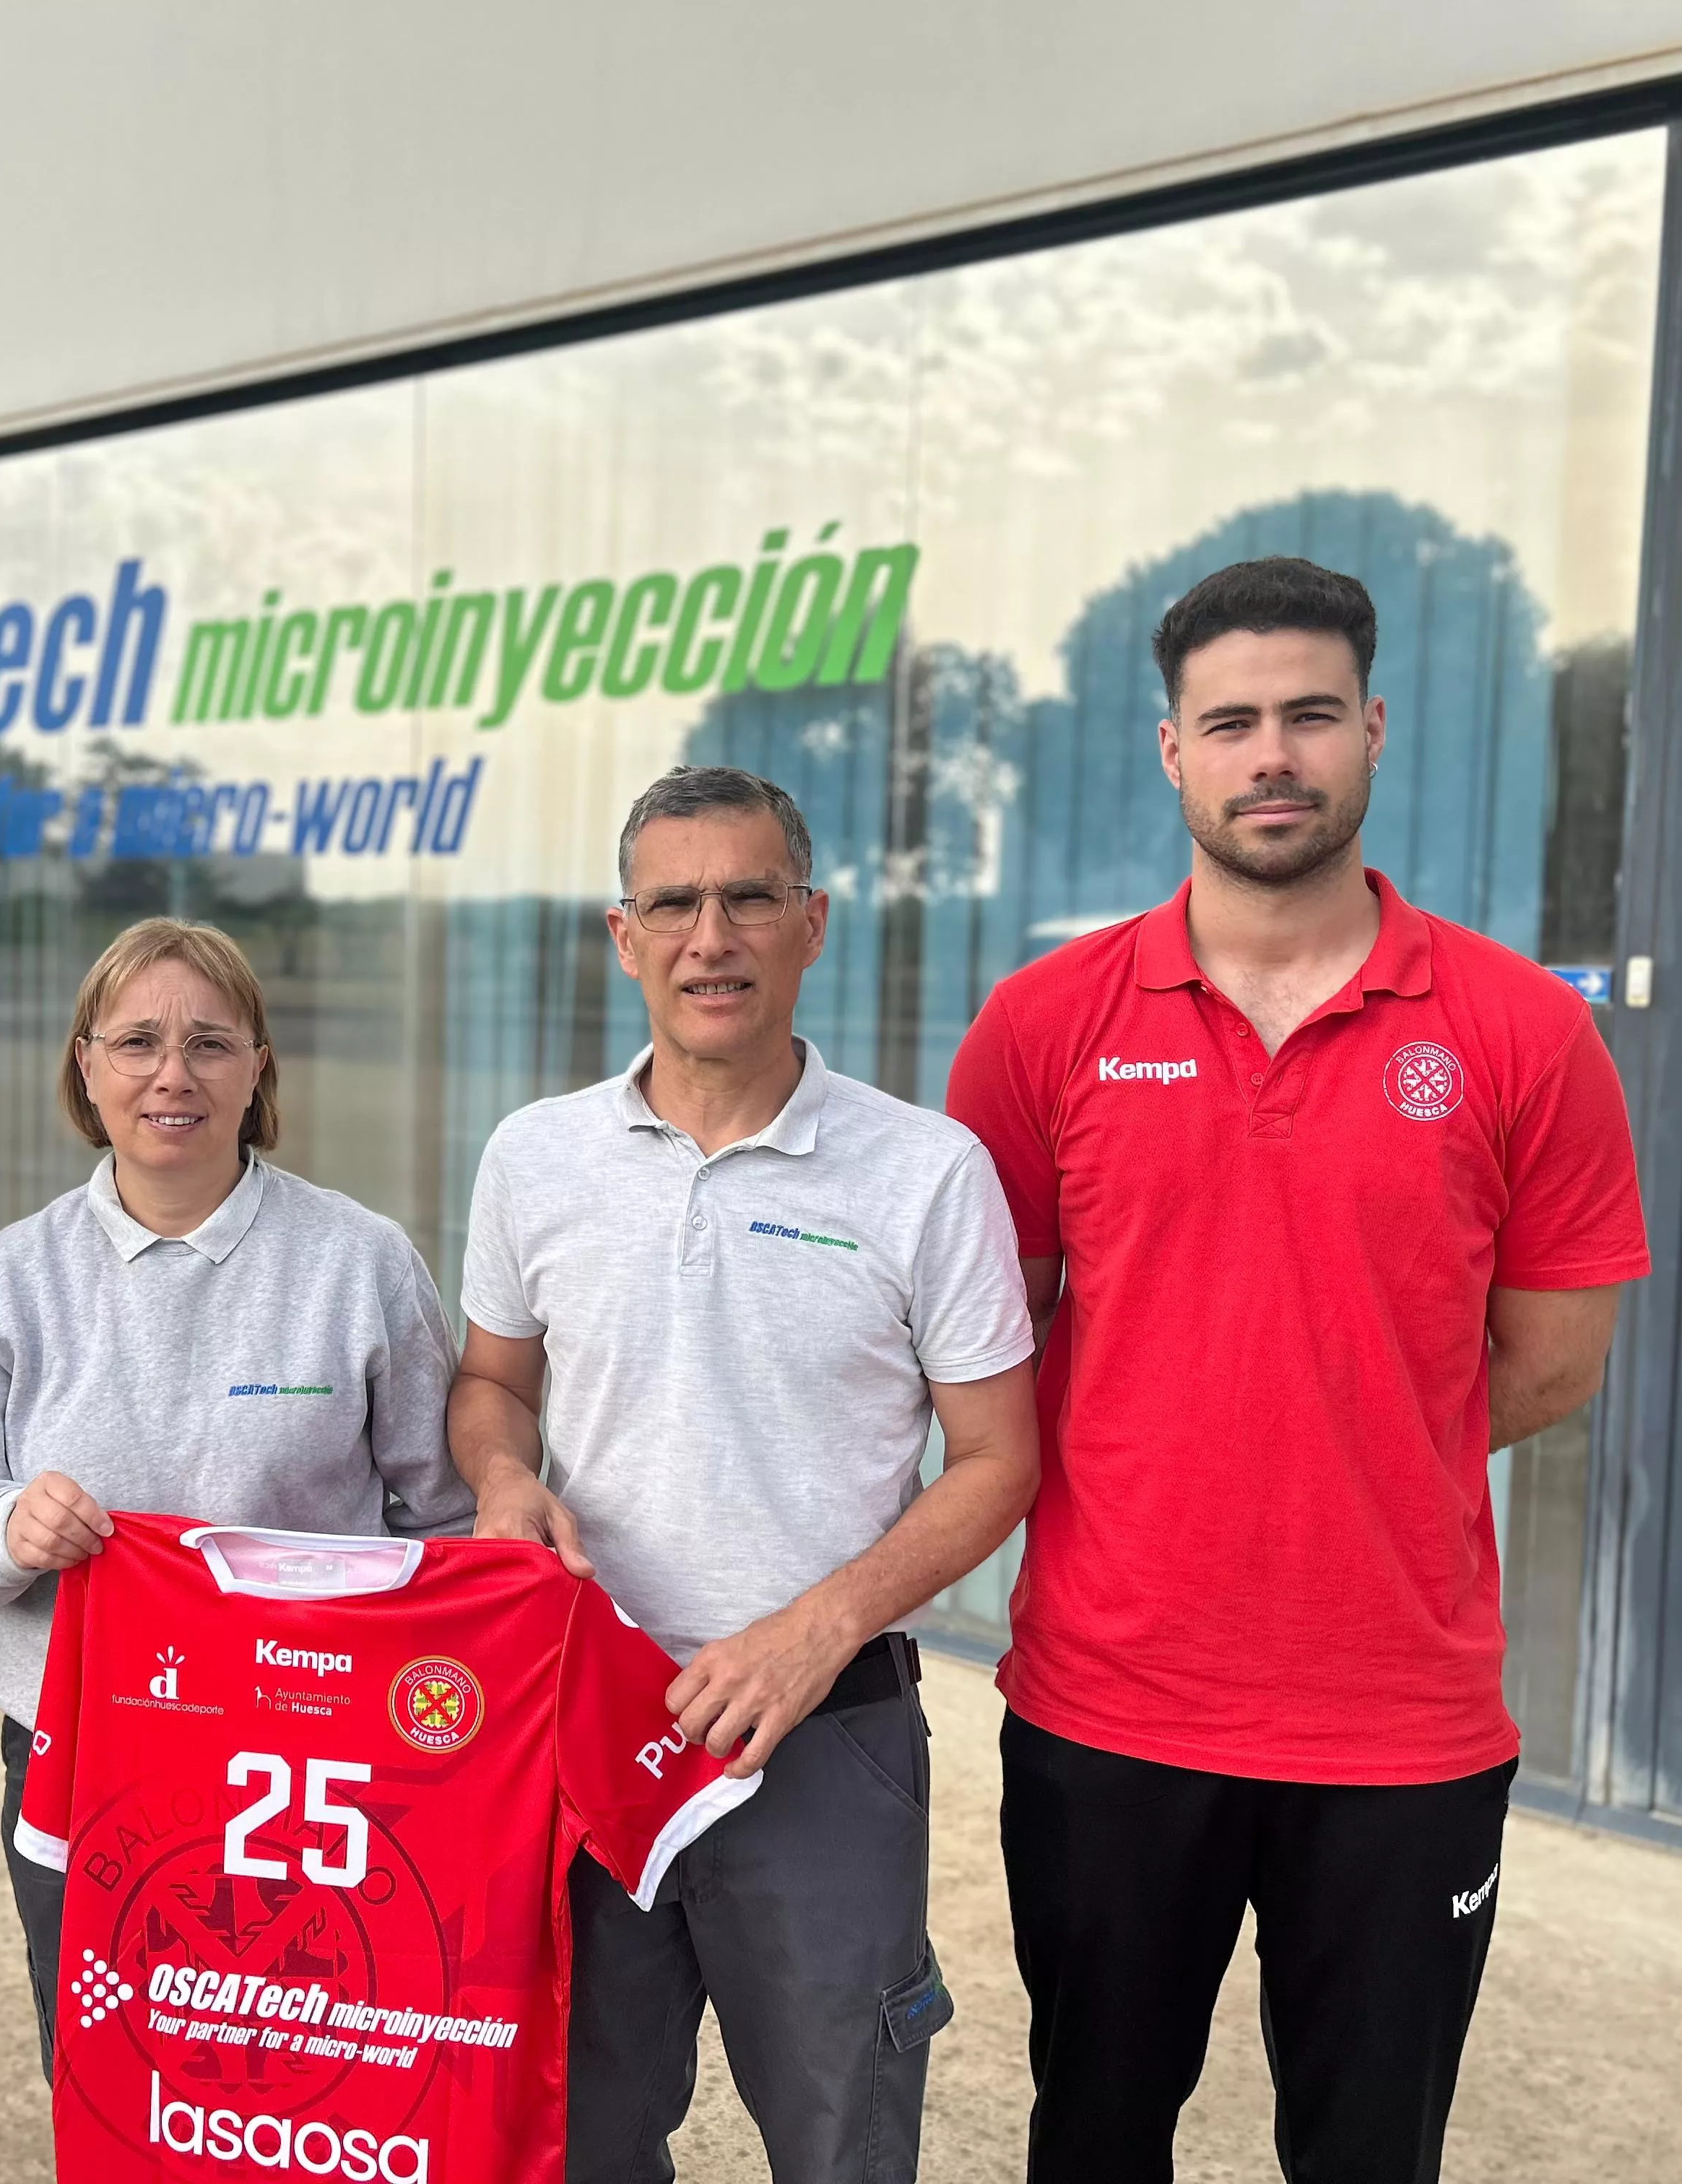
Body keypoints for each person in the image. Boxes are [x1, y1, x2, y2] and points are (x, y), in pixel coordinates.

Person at [946, 558, 1648, 2183]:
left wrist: (1340, 1425)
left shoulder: (1524, 1031)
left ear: (1375, 733)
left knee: (1367, 2154)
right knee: (1096, 2136)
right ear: (1173, 750)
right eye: (1235, 720)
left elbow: (1547, 1365)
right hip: (1112, 1709)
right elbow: (990, 1346)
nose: (1276, 753)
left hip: (1401, 1726)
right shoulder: (1044, 1026)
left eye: (1311, 715)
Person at [450, 765, 1040, 2184]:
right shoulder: (537, 1158)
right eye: (675, 902)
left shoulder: (926, 1171)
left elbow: (1000, 1459)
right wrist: (497, 1479)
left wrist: (814, 1628)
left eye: (748, 898)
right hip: (582, 1729)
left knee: (843, 2145)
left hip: (827, 1741)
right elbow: (492, 1386)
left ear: (813, 923)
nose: (710, 936)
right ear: (623, 934)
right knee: (574, 2141)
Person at [0, 915, 471, 2080]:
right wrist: (6, 1524)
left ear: (258, 1068)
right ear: (85, 1066)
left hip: (321, 1764)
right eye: (138, 1040)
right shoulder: (7, 1281)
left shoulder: (360, 1262)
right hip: (85, 1758)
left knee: (321, 2080)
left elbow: (442, 1518)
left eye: (211, 1041)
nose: (173, 1073)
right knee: (119, 2081)